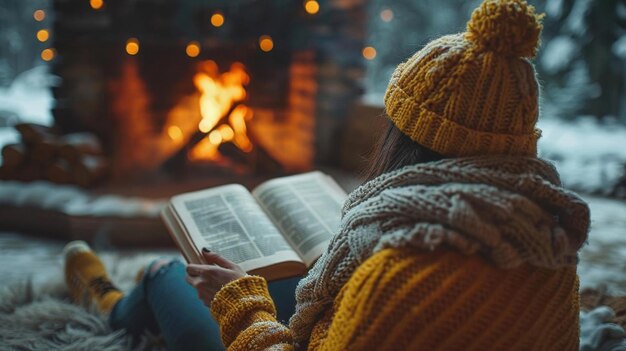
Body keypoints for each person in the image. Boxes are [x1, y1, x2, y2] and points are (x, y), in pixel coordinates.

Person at [63, 0, 591, 349]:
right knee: (294, 280)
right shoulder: (547, 237)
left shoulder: (399, 275)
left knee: (171, 275)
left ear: (407, 137)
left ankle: (112, 308)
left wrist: (241, 304)